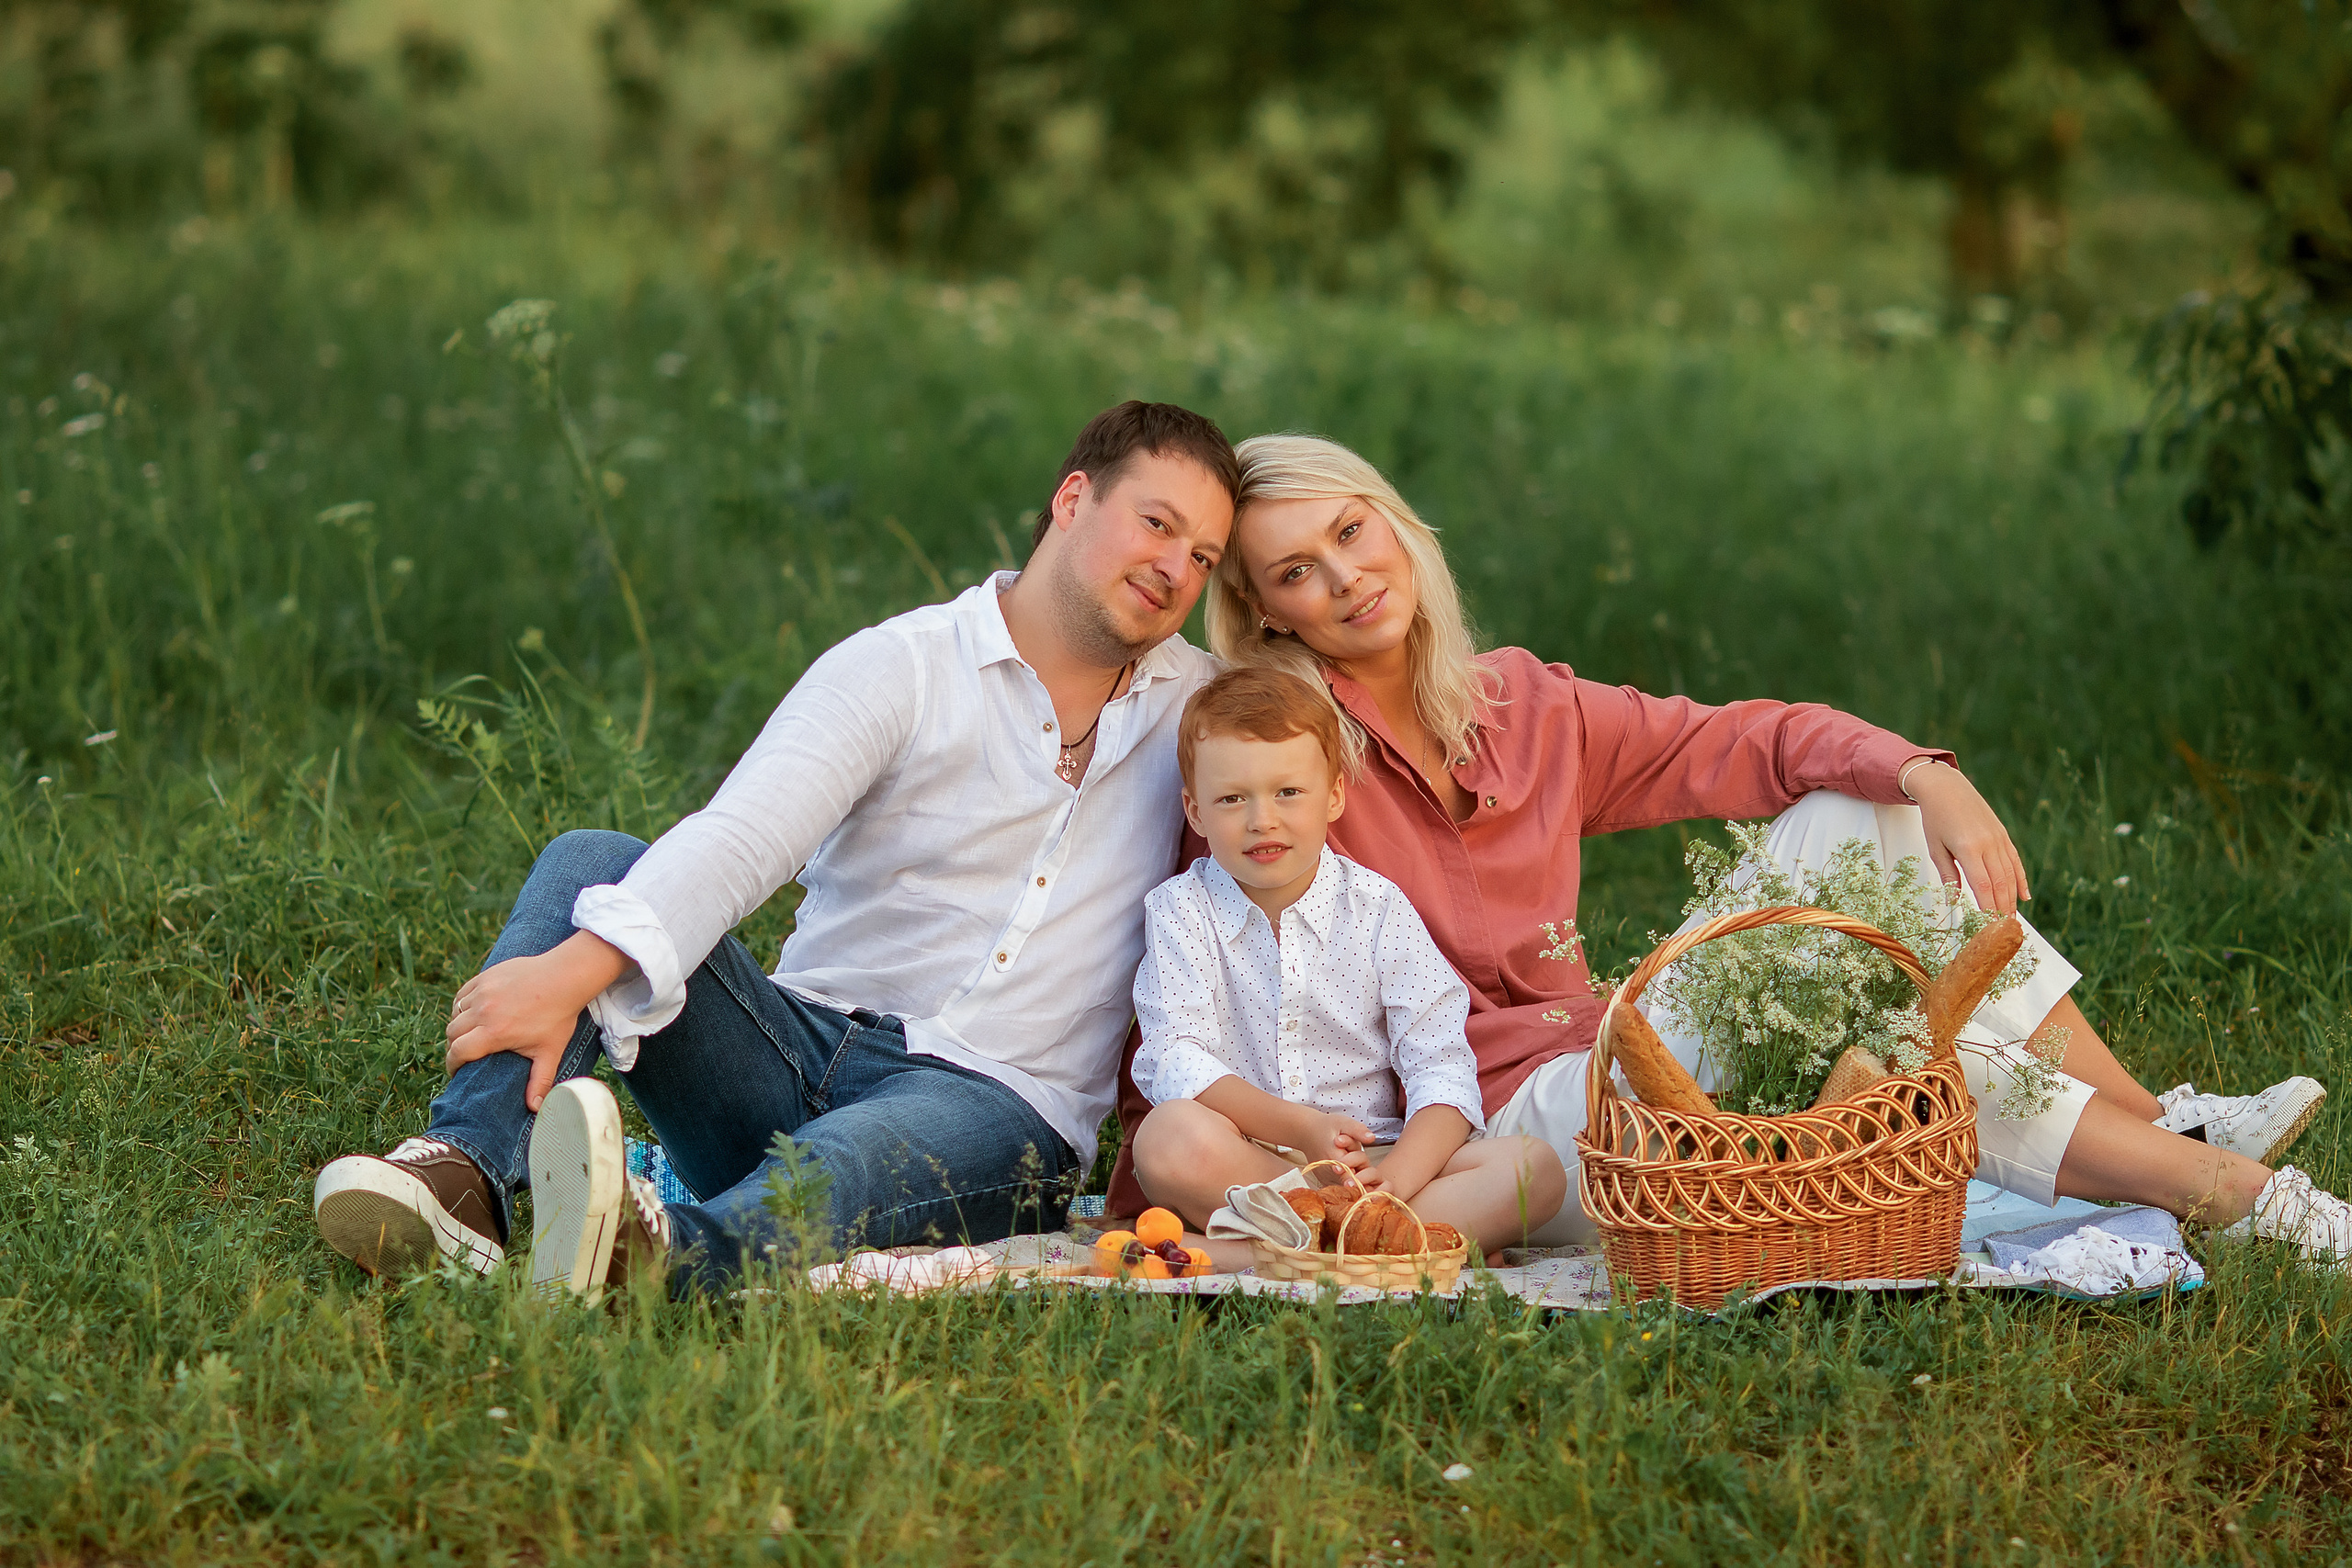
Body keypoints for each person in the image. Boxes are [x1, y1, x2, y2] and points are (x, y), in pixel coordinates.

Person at [1107, 431, 2346, 1264]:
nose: (1346, 578)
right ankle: (2222, 1182)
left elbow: (1755, 740)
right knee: (1829, 986)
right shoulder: (1278, 765)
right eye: (1298, 571)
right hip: (1503, 1128)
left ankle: (2171, 1129)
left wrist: (1927, 774)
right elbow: (1201, 965)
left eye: (1352, 534)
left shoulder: (1523, 702)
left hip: (1613, 1050)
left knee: (1866, 818)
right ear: (1264, 606)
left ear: (1395, 524)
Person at [313, 400, 1240, 1299]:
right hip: (795, 1047)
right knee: (594, 857)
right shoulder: (904, 665)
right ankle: (463, 1181)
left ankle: (662, 1257)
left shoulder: (1204, 717)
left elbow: (1332, 734)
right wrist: (574, 971)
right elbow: (743, 837)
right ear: (1073, 500)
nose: (1173, 568)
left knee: (842, 1162)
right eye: (1156, 525)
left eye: (1201, 557)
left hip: (999, 1112)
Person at [1127, 668, 1567, 1255]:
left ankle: (1302, 1245)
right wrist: (1299, 1129)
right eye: (1233, 798)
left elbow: (1440, 1063)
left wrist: (1400, 1180)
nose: (1263, 819)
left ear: (1333, 794)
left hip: (1374, 1163)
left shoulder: (1377, 909)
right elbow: (1174, 1057)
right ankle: (1383, 1246)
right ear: (1196, 812)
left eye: (1288, 792)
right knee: (1165, 1138)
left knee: (1535, 1168)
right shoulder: (1182, 908)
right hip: (1252, 1160)